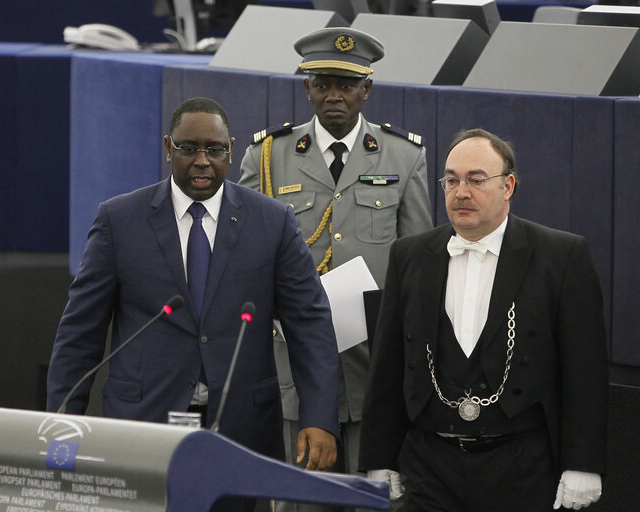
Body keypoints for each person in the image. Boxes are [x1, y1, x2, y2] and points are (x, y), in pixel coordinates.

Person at [47, 97, 340, 512]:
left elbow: (310, 326)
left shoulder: (272, 222)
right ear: (169, 149)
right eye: (189, 149)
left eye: (215, 150)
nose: (202, 161)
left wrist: (319, 417)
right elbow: (79, 335)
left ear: (231, 149)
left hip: (241, 431)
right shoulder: (119, 220)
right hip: (142, 428)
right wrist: (62, 425)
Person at [358, 128, 608, 511]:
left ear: (508, 186)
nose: (461, 192)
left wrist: (583, 464)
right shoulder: (409, 255)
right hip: (429, 468)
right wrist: (379, 458)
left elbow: (584, 371)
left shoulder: (560, 256)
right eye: (452, 180)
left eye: (476, 180)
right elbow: (388, 365)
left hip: (522, 467)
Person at [238, 27, 432, 509]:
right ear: (306, 87)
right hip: (295, 368)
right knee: (299, 500)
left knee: (376, 500)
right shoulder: (268, 157)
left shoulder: (404, 157)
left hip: (373, 365)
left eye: (346, 85)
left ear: (367, 89)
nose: (334, 95)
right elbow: (243, 260)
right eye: (322, 83)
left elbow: (418, 269)